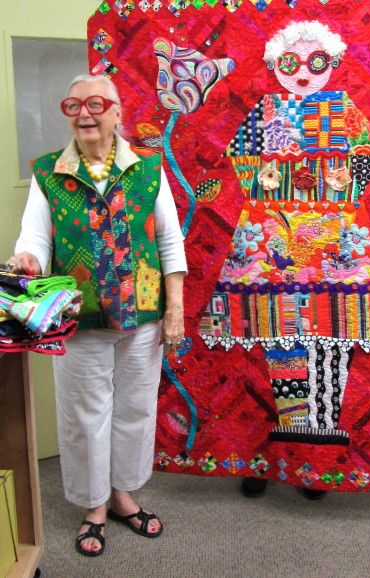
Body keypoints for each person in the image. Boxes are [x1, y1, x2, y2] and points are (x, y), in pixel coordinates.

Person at [197, 21, 370, 495]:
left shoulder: (341, 108)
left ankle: (317, 449)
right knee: (276, 339)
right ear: (275, 65)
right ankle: (277, 450)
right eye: (290, 63)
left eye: (315, 62)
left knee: (335, 334)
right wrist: (276, 183)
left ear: (332, 65)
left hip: (338, 238)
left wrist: (334, 184)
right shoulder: (265, 108)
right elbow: (239, 158)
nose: (302, 73)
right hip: (272, 239)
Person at [7, 74, 187, 557]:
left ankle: (124, 495)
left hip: (143, 312)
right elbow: (35, 237)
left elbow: (170, 241)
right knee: (85, 414)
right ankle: (93, 506)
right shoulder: (49, 171)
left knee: (135, 407)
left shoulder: (149, 168)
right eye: (74, 105)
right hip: (80, 316)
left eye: (96, 103)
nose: (85, 113)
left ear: (117, 113)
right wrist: (27, 259)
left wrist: (175, 310)